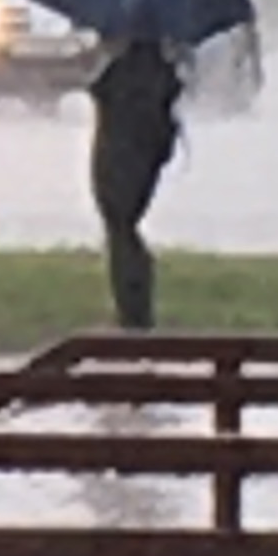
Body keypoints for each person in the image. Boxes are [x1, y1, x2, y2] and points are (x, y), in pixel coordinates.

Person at [88, 31, 187, 331]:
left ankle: (133, 312)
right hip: (134, 151)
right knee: (121, 228)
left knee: (120, 227)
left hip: (122, 153)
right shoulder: (157, 72)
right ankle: (132, 310)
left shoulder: (133, 72)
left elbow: (112, 96)